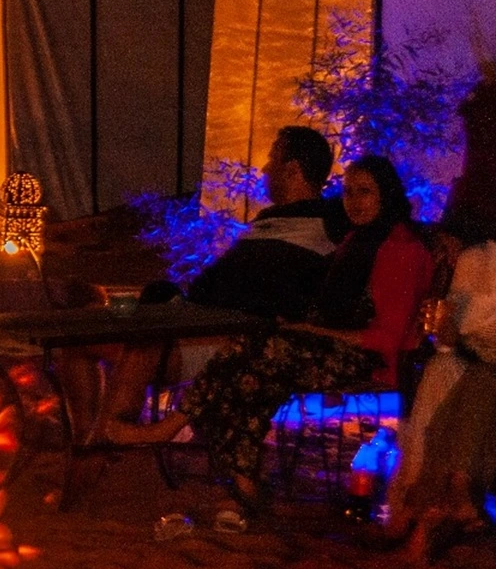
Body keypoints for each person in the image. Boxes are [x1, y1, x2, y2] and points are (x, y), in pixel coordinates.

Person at [114, 155, 433, 529]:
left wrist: (312, 332)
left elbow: (386, 337)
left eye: (365, 192)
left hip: (367, 356)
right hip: (324, 346)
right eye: (348, 192)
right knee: (252, 375)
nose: (354, 202)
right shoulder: (353, 241)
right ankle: (242, 491)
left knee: (259, 353)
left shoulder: (403, 249)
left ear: (386, 195)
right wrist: (301, 324)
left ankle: (175, 427)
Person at [60, 126, 349, 443]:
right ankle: (85, 439)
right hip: (184, 311)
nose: (265, 169)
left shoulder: (329, 222)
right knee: (80, 329)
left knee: (142, 343)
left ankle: (100, 444)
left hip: (213, 338)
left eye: (272, 159)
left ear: (292, 169)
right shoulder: (267, 222)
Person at [388, 218, 496, 559]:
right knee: (453, 373)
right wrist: (448, 331)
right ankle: (450, 497)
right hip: (480, 361)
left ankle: (426, 501)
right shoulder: (478, 260)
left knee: (478, 378)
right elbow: (452, 341)